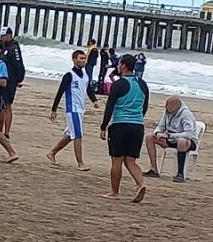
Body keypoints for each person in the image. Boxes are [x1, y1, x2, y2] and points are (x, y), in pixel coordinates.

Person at [99, 54, 149, 202]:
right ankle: (140, 184)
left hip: (120, 125)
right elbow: (144, 107)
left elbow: (110, 106)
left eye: (119, 64)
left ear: (124, 66)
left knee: (117, 160)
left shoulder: (118, 84)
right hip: (138, 126)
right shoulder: (143, 84)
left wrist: (103, 126)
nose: (117, 66)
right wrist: (137, 118)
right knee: (130, 160)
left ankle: (114, 192)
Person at [46, 50, 100, 171]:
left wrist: (94, 100)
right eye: (81, 58)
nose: (83, 61)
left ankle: (52, 153)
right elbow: (60, 92)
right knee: (77, 135)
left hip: (81, 109)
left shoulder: (85, 75)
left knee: (70, 134)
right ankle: (80, 163)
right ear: (75, 60)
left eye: (84, 58)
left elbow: (88, 89)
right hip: (72, 109)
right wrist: (54, 109)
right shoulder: (69, 75)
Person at [142, 96, 198, 182]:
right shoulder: (167, 113)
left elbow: (188, 134)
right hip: (170, 139)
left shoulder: (186, 114)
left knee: (182, 141)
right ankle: (154, 169)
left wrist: (170, 136)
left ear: (174, 107)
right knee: (149, 137)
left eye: (167, 105)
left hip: (187, 142)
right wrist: (158, 133)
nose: (165, 107)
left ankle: (180, 174)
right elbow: (160, 126)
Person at [0, 27, 25, 139]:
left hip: (10, 81)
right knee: (0, 106)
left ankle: (6, 132)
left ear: (9, 35)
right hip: (1, 79)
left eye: (3, 35)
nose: (1, 37)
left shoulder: (14, 48)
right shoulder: (2, 47)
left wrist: (18, 79)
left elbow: (18, 65)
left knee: (7, 106)